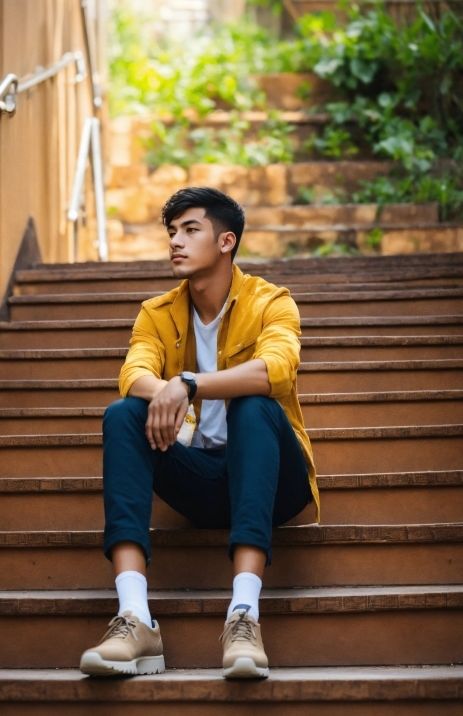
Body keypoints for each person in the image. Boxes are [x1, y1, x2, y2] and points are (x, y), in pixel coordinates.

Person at [80, 187, 319, 679]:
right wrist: (166, 389)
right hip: (202, 481)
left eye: (191, 230)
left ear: (226, 241)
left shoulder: (271, 302)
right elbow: (134, 374)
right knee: (123, 413)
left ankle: (244, 616)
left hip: (276, 486)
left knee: (253, 405)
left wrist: (189, 384)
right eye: (172, 232)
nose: (176, 242)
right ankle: (135, 615)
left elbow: (277, 369)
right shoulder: (157, 312)